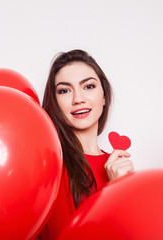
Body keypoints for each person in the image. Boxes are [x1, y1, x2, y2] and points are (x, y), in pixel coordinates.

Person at [40, 49, 134, 239]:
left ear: (104, 96)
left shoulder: (118, 166)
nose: (78, 99)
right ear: (54, 102)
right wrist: (114, 195)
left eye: (88, 86)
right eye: (64, 90)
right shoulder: (51, 167)